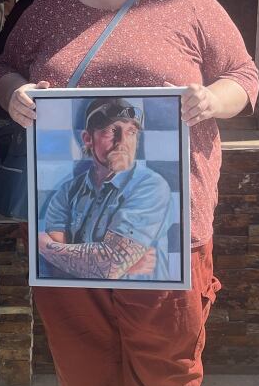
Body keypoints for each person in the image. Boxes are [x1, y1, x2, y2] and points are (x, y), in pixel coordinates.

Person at [0, 0, 259, 386]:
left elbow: (244, 76)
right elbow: (4, 68)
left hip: (169, 244)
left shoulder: (190, 4)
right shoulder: (52, 7)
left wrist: (212, 99)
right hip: (65, 234)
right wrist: (14, 93)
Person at [39, 97, 170, 281]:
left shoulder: (151, 185)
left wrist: (44, 246)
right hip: (84, 299)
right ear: (87, 138)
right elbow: (57, 269)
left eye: (131, 131)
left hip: (141, 301)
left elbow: (110, 266)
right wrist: (118, 264)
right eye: (111, 130)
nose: (122, 141)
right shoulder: (67, 192)